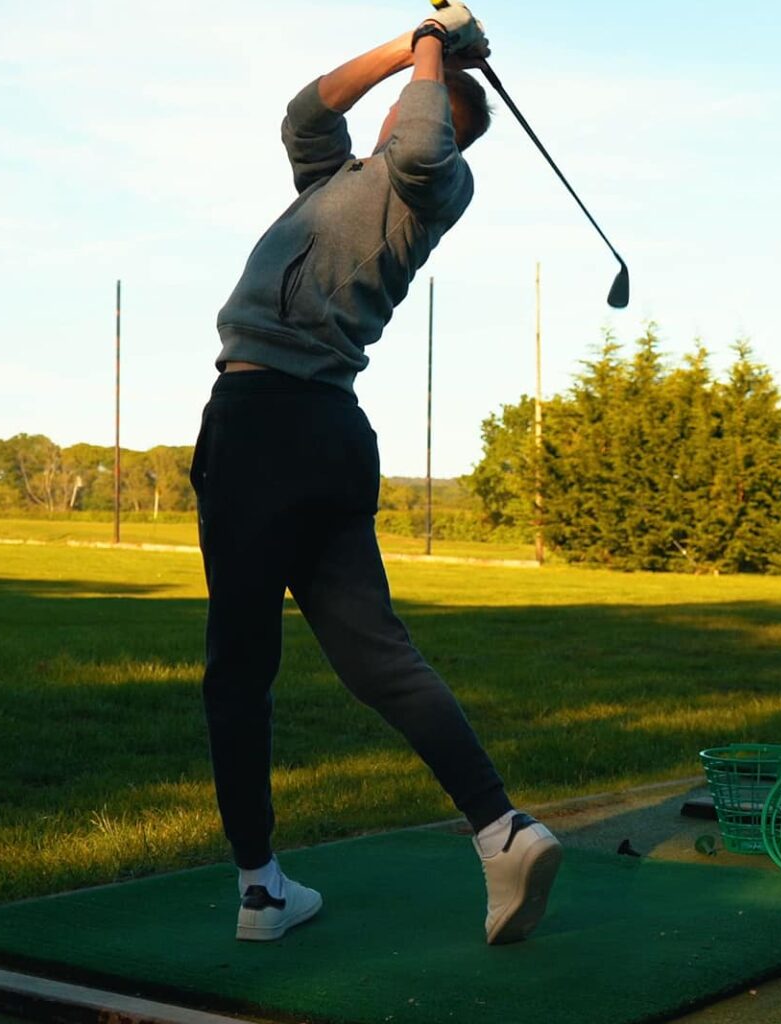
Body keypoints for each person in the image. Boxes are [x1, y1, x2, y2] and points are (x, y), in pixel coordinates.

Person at [189, 2, 561, 946]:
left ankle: (261, 893)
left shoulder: (430, 182)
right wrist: (411, 42)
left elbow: (432, 138)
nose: (397, 105)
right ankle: (500, 829)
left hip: (267, 426)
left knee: (239, 669)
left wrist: (438, 50)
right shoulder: (337, 182)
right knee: (375, 655)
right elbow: (305, 114)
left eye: (410, 99)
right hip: (316, 433)